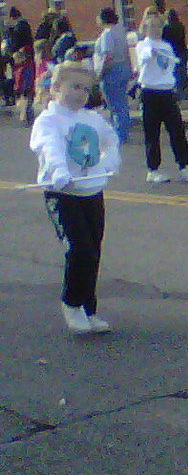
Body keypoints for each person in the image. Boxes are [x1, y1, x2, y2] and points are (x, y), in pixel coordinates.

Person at [29, 60, 121, 334]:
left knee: (93, 252)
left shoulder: (92, 118)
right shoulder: (49, 120)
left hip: (91, 191)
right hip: (63, 194)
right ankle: (71, 303)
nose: (81, 93)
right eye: (74, 87)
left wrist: (108, 164)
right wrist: (57, 169)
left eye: (85, 88)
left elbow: (111, 141)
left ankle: (88, 309)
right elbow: (49, 145)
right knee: (79, 250)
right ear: (56, 88)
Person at [134, 11, 188, 184]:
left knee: (177, 130)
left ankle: (184, 166)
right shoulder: (142, 45)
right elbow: (143, 58)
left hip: (167, 92)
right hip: (150, 93)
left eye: (159, 26)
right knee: (152, 133)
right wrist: (151, 52)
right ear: (145, 28)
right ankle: (153, 169)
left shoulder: (167, 46)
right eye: (152, 26)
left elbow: (171, 66)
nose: (157, 29)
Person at [93, 7, 133, 143]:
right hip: (123, 68)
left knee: (114, 104)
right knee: (122, 102)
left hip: (112, 71)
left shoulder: (107, 34)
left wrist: (100, 73)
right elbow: (127, 52)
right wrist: (130, 68)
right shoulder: (120, 31)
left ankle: (119, 134)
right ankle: (123, 130)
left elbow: (107, 56)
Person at [162, 9, 188, 98]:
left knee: (176, 73)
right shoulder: (181, 26)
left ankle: (179, 92)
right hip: (183, 51)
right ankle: (186, 92)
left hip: (174, 53)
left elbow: (164, 41)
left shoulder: (166, 28)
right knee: (183, 72)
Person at [11, 46, 35, 125]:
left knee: (28, 105)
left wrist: (26, 88)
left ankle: (29, 120)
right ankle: (26, 119)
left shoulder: (26, 68)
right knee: (24, 104)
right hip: (21, 89)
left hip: (27, 89)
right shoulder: (19, 68)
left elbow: (28, 79)